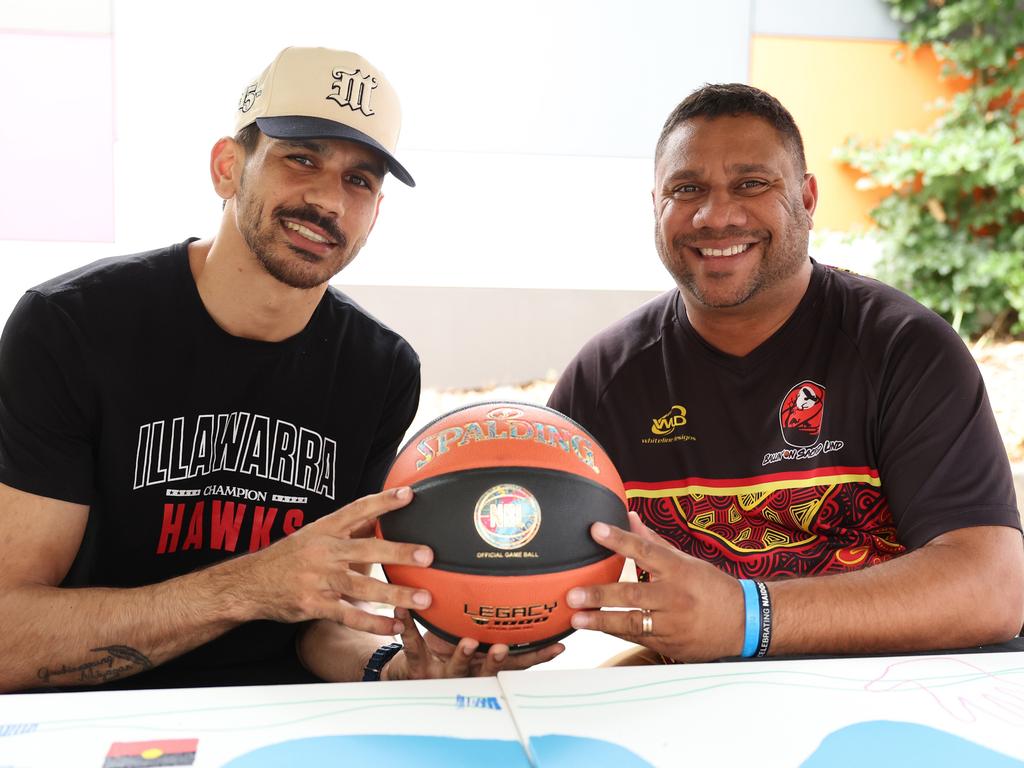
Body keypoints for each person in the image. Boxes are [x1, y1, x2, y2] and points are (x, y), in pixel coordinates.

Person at [0, 46, 561, 692]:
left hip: (287, 719)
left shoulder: (378, 371)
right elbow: (10, 636)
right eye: (302, 158)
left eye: (360, 180)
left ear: (376, 213)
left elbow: (317, 626)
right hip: (96, 718)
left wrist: (396, 666)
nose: (328, 199)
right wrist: (249, 588)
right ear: (227, 167)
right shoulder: (71, 327)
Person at [551, 83, 1024, 663]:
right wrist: (457, 640)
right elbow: (520, 553)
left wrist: (748, 617)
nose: (715, 215)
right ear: (655, 205)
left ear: (807, 198)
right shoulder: (604, 379)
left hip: (902, 705)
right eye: (686, 189)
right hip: (700, 711)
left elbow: (991, 589)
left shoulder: (903, 348)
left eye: (751, 184)